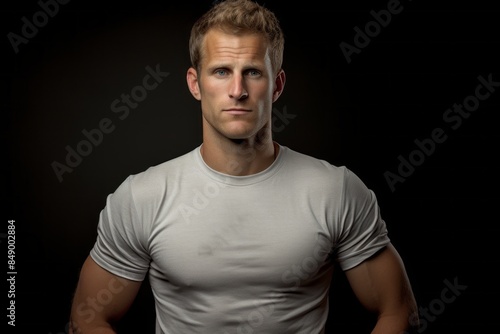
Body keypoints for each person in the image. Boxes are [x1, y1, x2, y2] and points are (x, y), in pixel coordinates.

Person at [69, 0, 419, 333]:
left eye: (252, 72)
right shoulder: (141, 197)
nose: (237, 90)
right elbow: (87, 320)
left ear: (277, 85)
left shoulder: (335, 190)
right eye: (221, 71)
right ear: (195, 83)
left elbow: (399, 312)